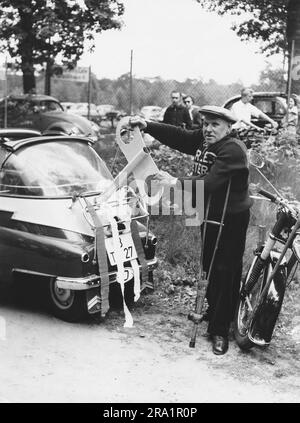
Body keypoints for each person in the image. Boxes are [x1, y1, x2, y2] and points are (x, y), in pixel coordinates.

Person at [128, 106, 253, 355]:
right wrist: (148, 125)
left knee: (226, 269)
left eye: (215, 124)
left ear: (228, 128)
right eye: (206, 123)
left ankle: (220, 329)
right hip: (208, 211)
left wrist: (174, 181)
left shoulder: (233, 150)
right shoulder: (205, 139)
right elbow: (180, 136)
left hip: (230, 216)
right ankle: (215, 308)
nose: (208, 129)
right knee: (209, 264)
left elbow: (210, 183)